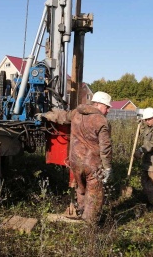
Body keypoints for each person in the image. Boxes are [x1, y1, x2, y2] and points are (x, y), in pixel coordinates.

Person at [42, 91, 113, 223]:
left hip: (75, 162)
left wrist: (46, 115)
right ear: (97, 104)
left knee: (81, 188)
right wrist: (108, 168)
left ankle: (81, 211)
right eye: (106, 106)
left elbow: (62, 117)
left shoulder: (77, 113)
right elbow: (106, 147)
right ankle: (89, 224)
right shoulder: (101, 121)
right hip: (93, 164)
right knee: (94, 193)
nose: (108, 110)